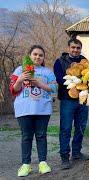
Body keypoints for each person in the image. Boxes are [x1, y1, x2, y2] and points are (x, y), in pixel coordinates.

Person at [9, 45, 57, 177]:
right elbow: (13, 90)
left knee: (41, 136)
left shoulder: (48, 72)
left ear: (43, 58)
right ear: (30, 56)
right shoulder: (20, 70)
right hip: (24, 109)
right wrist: (20, 79)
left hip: (42, 110)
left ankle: (43, 163)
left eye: (41, 55)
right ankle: (26, 165)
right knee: (26, 136)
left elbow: (54, 89)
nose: (38, 57)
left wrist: (39, 83)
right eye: (35, 54)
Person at [53, 38, 89, 169]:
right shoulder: (60, 62)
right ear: (68, 48)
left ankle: (76, 153)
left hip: (83, 100)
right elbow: (60, 79)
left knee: (81, 127)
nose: (75, 50)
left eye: (78, 48)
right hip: (67, 100)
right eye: (73, 47)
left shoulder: (85, 62)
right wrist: (77, 83)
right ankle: (64, 157)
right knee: (66, 128)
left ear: (81, 49)